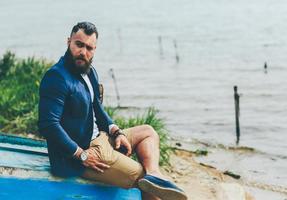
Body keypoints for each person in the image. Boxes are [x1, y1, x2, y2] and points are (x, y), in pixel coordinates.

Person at [38, 22, 187, 200]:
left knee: (148, 132)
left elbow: (97, 109)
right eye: (79, 45)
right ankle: (150, 179)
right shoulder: (57, 77)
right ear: (68, 41)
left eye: (89, 48)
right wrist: (81, 155)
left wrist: (116, 131)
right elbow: (48, 125)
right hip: (83, 153)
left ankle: (154, 174)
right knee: (140, 174)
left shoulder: (89, 72)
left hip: (101, 138)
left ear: (95, 49)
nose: (83, 52)